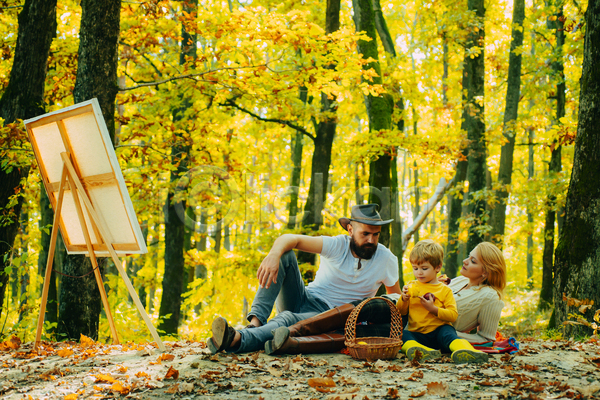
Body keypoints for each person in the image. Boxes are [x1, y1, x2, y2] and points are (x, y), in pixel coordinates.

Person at [206, 204, 402, 354]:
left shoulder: (386, 259)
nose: (371, 240)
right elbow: (291, 238)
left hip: (332, 316)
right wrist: (274, 255)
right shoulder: (336, 245)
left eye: (376, 235)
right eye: (365, 234)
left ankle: (237, 339)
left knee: (288, 319)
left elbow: (395, 302)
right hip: (305, 298)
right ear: (350, 230)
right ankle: (255, 324)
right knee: (285, 255)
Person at [266, 241, 506, 358]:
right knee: (357, 311)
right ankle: (294, 329)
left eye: (473, 261)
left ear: (486, 272)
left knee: (354, 333)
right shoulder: (460, 281)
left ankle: (291, 343)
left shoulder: (491, 298)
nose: (466, 261)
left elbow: (486, 338)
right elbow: (435, 289)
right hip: (397, 306)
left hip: (410, 327)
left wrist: (448, 333)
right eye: (470, 257)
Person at [397, 239, 488, 363]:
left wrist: (433, 309)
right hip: (418, 334)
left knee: (448, 333)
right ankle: (420, 351)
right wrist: (403, 299)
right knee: (403, 335)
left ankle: (466, 350)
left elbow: (453, 315)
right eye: (415, 268)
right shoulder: (412, 285)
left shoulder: (445, 290)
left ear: (438, 267)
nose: (419, 272)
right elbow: (401, 312)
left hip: (439, 331)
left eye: (424, 268)